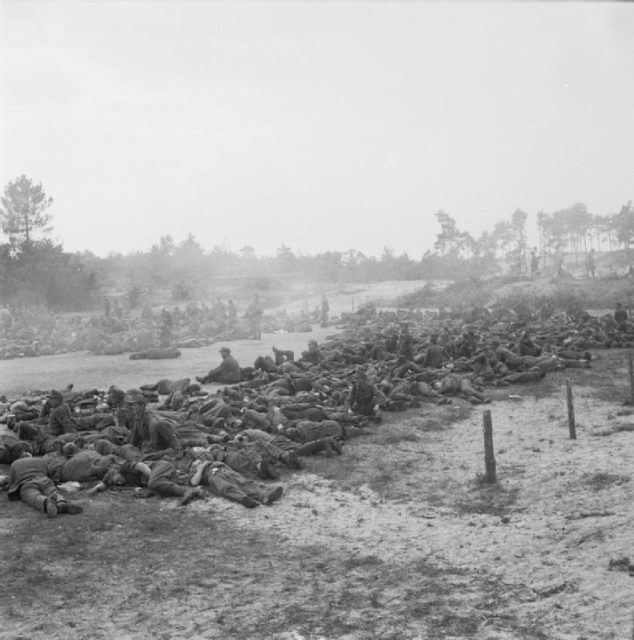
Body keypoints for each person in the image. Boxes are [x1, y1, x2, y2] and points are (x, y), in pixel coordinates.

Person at [2, 456, 83, 517]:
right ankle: (61, 501)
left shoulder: (15, 463)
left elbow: (11, 482)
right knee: (52, 491)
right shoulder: (41, 460)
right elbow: (48, 471)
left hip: (28, 483)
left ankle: (47, 503)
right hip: (44, 479)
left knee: (33, 496)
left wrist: (7, 487)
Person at [122, 390, 181, 455]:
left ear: (142, 406)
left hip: (158, 446)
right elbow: (134, 438)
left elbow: (154, 425)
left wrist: (153, 444)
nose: (133, 407)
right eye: (132, 405)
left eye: (135, 405)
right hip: (147, 446)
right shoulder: (137, 418)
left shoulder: (148, 416)